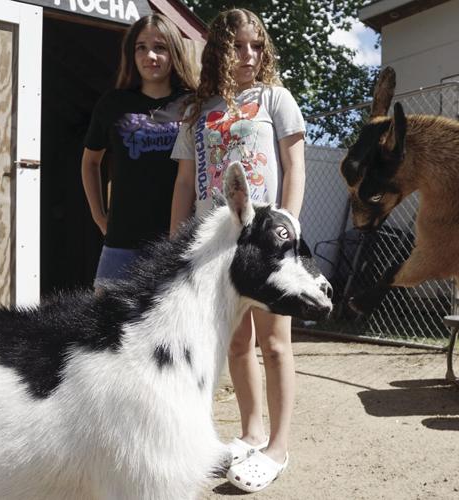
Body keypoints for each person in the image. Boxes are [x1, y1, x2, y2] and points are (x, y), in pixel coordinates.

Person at [170, 8, 306, 493]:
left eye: (255, 46)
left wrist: (285, 230)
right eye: (236, 46)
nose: (248, 55)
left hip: (266, 244)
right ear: (218, 52)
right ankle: (251, 434)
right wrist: (177, 244)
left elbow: (295, 166)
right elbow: (184, 182)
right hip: (217, 247)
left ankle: (278, 447)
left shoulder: (276, 98)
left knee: (275, 342)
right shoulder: (197, 111)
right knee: (236, 342)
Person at [82, 14, 197, 290]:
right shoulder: (112, 104)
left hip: (177, 242)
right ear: (131, 54)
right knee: (106, 317)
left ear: (174, 52)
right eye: (141, 47)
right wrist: (99, 216)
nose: (150, 56)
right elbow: (90, 162)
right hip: (121, 241)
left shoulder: (193, 104)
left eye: (160, 47)